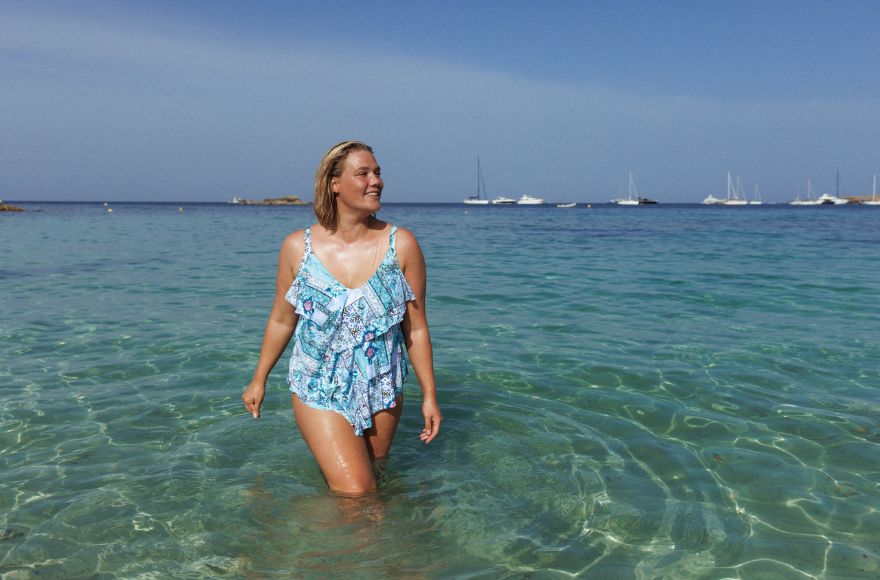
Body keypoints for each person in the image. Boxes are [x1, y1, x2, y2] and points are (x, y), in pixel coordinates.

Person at [242, 140, 441, 497]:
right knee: (357, 492)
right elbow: (282, 320)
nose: (375, 181)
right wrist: (259, 378)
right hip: (318, 385)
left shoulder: (402, 246)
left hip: (383, 385)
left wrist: (430, 394)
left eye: (377, 173)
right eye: (363, 173)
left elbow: (417, 328)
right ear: (334, 183)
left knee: (375, 481)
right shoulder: (296, 249)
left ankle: (362, 551)